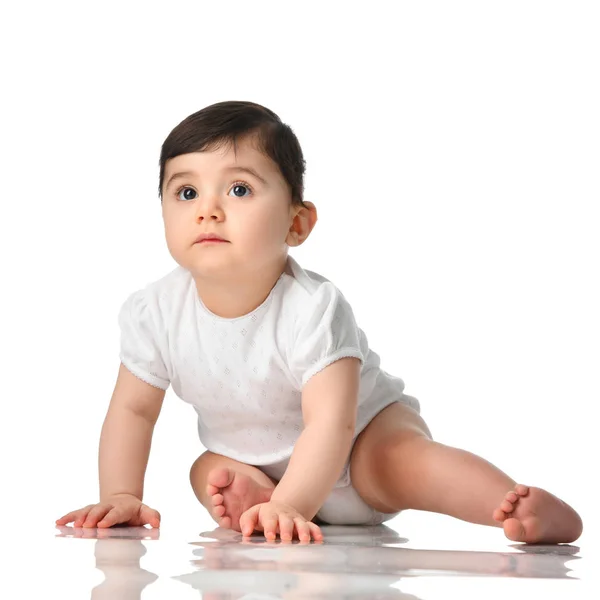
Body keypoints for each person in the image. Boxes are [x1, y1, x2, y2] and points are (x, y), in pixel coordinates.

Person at [56, 101, 583, 544]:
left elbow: (333, 422)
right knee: (207, 468)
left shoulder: (312, 307)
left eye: (238, 190)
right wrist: (122, 494)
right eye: (186, 192)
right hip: (269, 471)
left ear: (297, 222)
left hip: (362, 443)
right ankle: (262, 503)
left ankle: (514, 508)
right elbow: (133, 410)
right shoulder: (155, 312)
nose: (208, 210)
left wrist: (295, 501)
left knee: (410, 465)